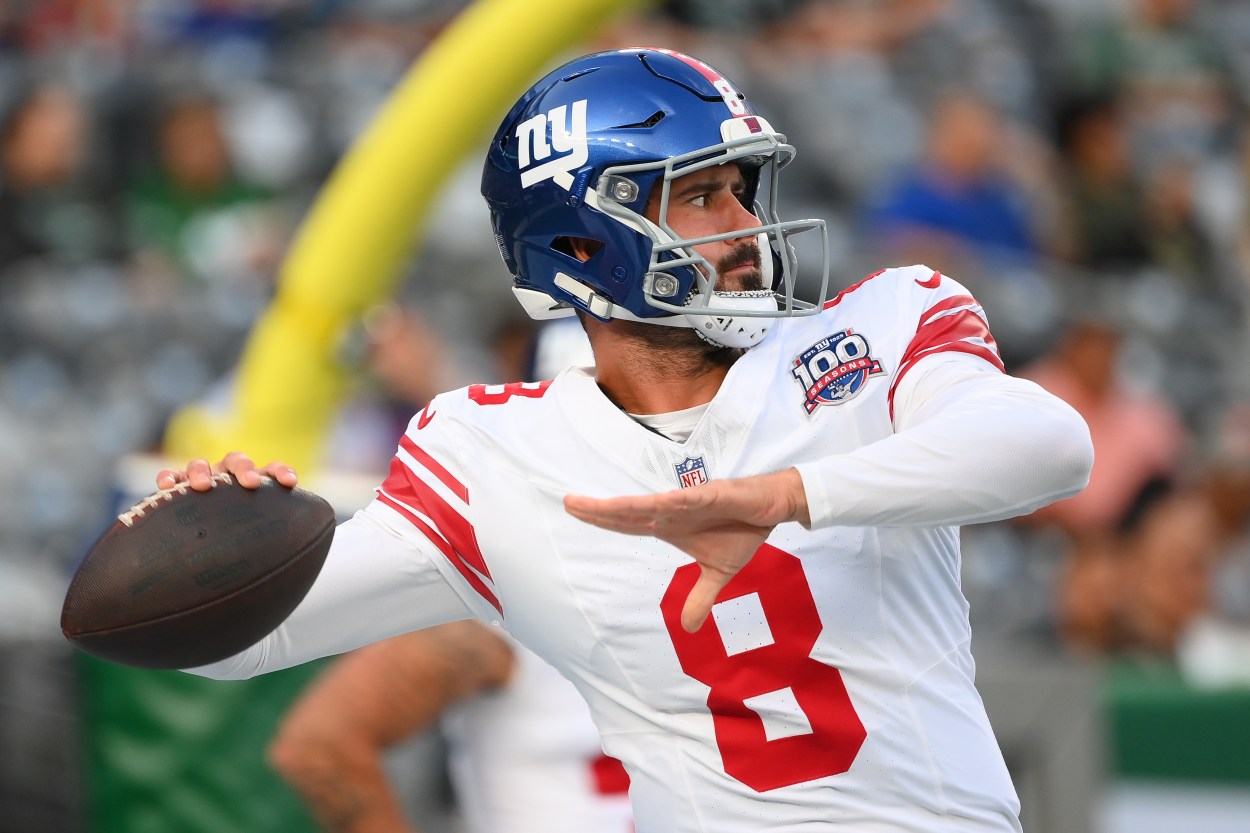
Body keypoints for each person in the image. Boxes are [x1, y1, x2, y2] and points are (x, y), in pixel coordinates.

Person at [160, 48, 1093, 832]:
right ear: (577, 246)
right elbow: (234, 640)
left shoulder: (880, 325)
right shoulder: (493, 454)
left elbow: (1048, 444)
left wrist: (788, 496)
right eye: (698, 196)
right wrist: (205, 546)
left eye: (740, 190)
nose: (744, 227)